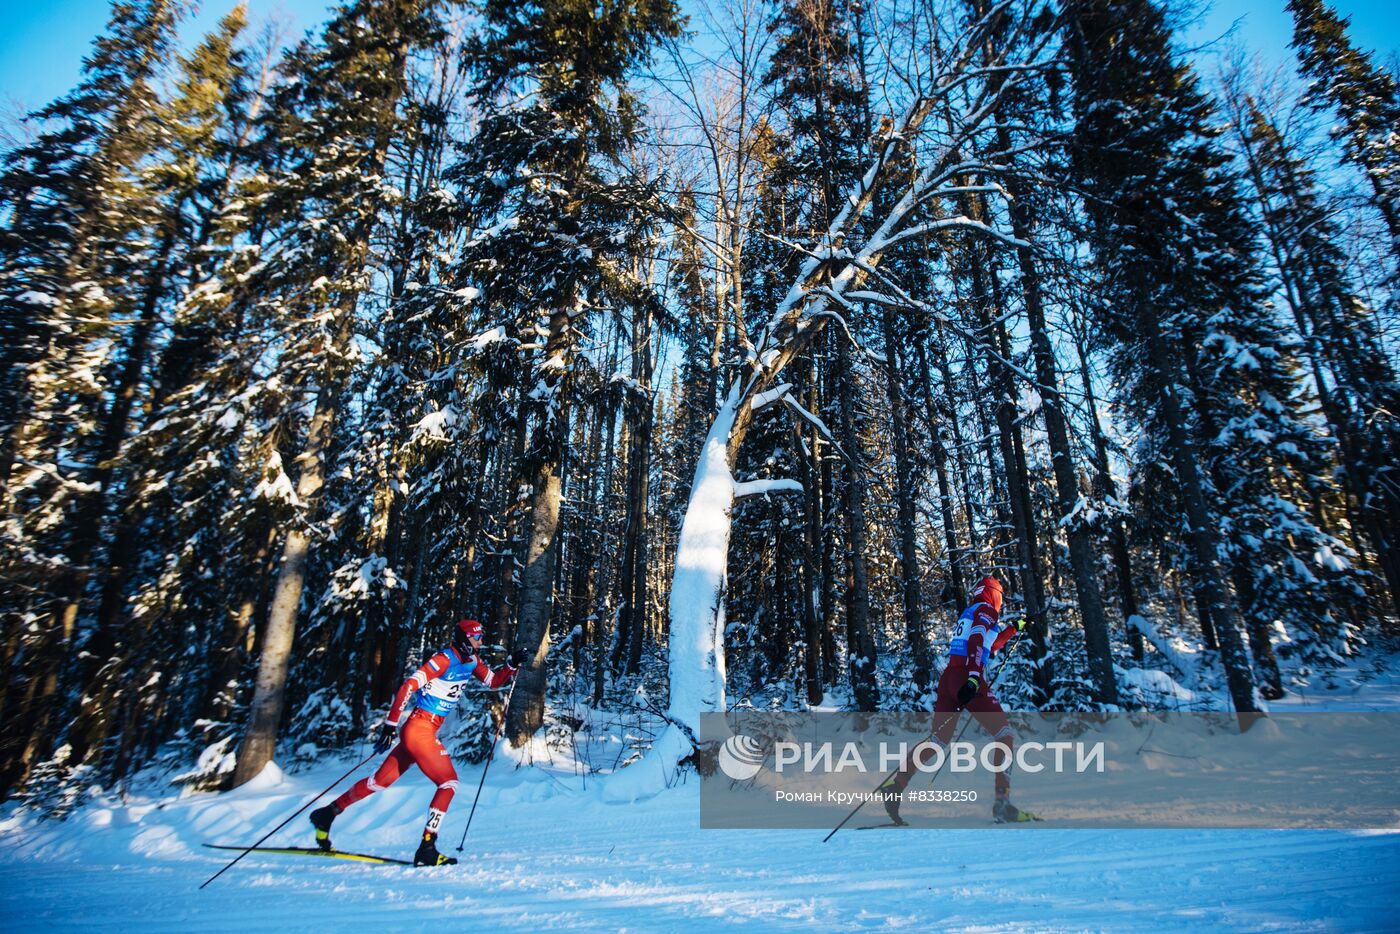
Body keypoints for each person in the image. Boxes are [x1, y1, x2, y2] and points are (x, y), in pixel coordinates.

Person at [310, 618, 524, 866]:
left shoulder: (472, 661)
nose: (480, 642)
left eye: (481, 637)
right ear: (465, 639)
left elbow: (494, 682)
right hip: (419, 728)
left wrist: (511, 664)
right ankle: (427, 847)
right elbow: (408, 686)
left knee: (378, 782)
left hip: (425, 729)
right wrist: (390, 725)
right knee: (449, 783)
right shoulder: (444, 659)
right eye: (477, 637)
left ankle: (328, 813)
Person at [880, 574, 1037, 824]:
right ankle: (1002, 803)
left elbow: (989, 645)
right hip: (966, 676)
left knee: (938, 740)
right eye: (1001, 596)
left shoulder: (973, 610)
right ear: (993, 593)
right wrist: (974, 677)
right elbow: (976, 641)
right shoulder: (987, 608)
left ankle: (895, 785)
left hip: (949, 679)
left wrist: (1014, 628)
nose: (1000, 602)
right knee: (1004, 735)